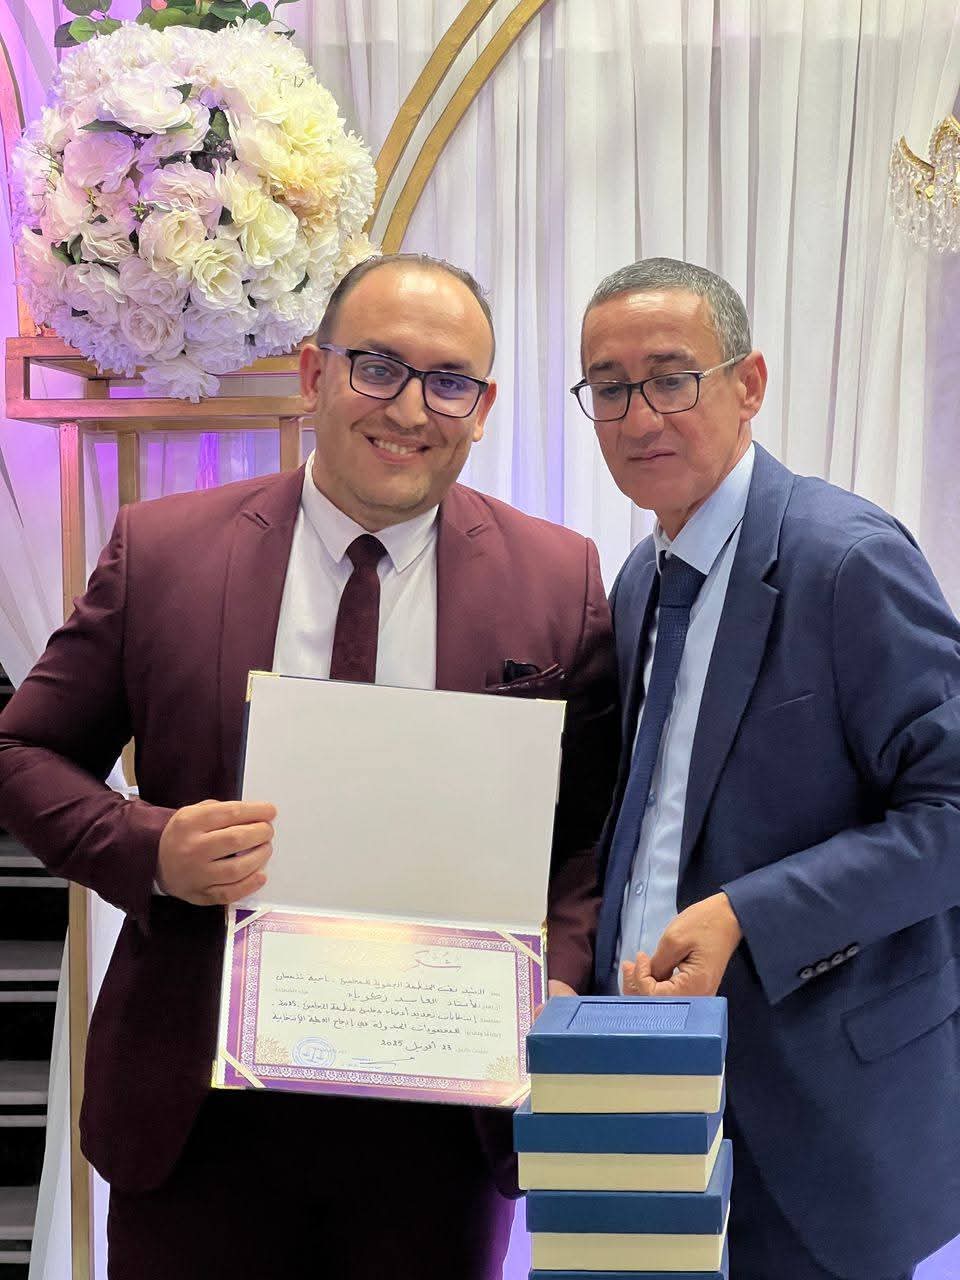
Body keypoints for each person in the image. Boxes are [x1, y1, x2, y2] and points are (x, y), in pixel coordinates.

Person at [0, 252, 618, 1280]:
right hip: (198, 1108)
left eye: (449, 381)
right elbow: (23, 750)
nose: (410, 409)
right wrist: (151, 847)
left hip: (439, 1119)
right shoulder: (165, 551)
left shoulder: (560, 578)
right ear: (312, 373)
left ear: (483, 408)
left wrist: (557, 971)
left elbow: (585, 832)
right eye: (377, 366)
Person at [577, 257, 960, 1280]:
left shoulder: (846, 558)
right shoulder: (638, 578)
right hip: (645, 1076)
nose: (639, 415)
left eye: (671, 377)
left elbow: (951, 812)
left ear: (748, 384)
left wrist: (749, 912)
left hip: (819, 1104)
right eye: (609, 388)